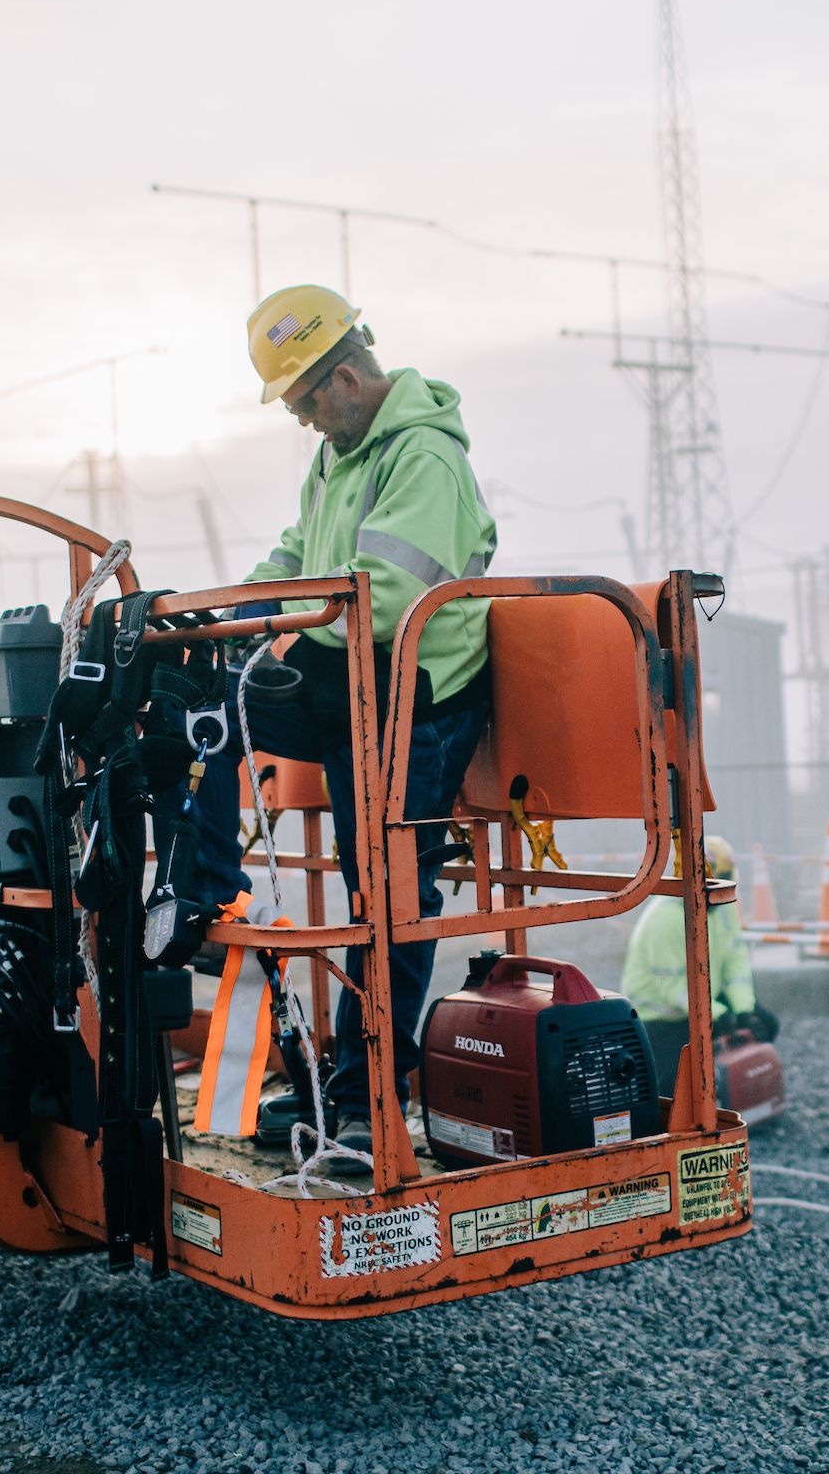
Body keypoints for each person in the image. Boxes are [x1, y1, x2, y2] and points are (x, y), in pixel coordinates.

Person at [186, 284, 498, 1172]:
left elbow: (387, 597)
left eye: (306, 405)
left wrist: (284, 620)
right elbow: (297, 554)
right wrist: (242, 615)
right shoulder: (341, 455)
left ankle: (368, 1099)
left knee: (390, 902)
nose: (307, 425)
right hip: (349, 674)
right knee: (208, 700)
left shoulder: (424, 459)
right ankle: (199, 895)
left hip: (413, 698)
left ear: (348, 378)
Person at [618, 835, 773, 1098]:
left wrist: (744, 1009)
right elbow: (674, 989)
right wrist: (720, 1014)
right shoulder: (665, 919)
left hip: (703, 1003)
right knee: (668, 1087)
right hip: (660, 1017)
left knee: (767, 1025)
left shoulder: (722, 908)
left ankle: (739, 1091)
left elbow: (736, 966)